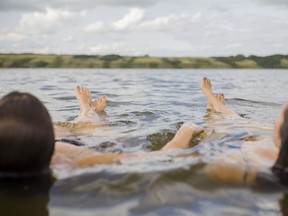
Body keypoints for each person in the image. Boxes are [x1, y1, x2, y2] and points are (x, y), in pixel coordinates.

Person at [0, 89, 204, 178]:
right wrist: (186, 129)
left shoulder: (59, 151)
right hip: (67, 145)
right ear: (49, 147)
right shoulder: (64, 154)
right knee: (93, 130)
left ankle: (87, 111)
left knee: (67, 128)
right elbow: (161, 156)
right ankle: (87, 112)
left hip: (53, 141)